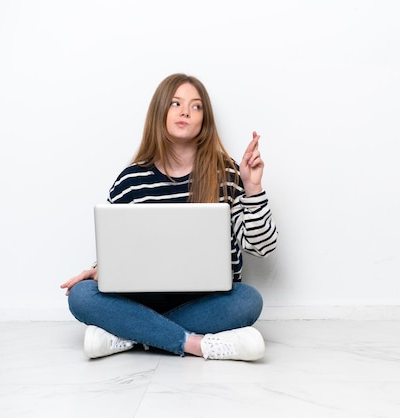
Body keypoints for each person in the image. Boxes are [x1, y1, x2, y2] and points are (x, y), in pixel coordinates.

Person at [60, 73, 278, 361]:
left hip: (206, 299)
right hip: (142, 298)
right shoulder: (131, 180)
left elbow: (261, 247)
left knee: (248, 301)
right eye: (176, 103)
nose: (186, 111)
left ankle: (129, 334)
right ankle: (196, 344)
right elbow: (120, 248)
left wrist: (252, 188)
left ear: (205, 119)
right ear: (160, 112)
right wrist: (102, 269)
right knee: (81, 295)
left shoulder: (228, 174)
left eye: (196, 106)